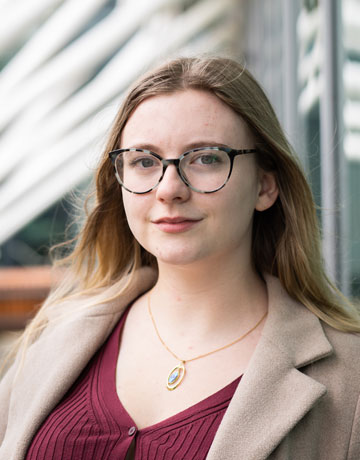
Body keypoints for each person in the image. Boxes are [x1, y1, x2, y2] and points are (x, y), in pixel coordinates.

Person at [1, 56, 360, 460]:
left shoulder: (350, 379)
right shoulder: (54, 337)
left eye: (206, 158)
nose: (169, 189)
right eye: (144, 161)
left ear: (264, 186)